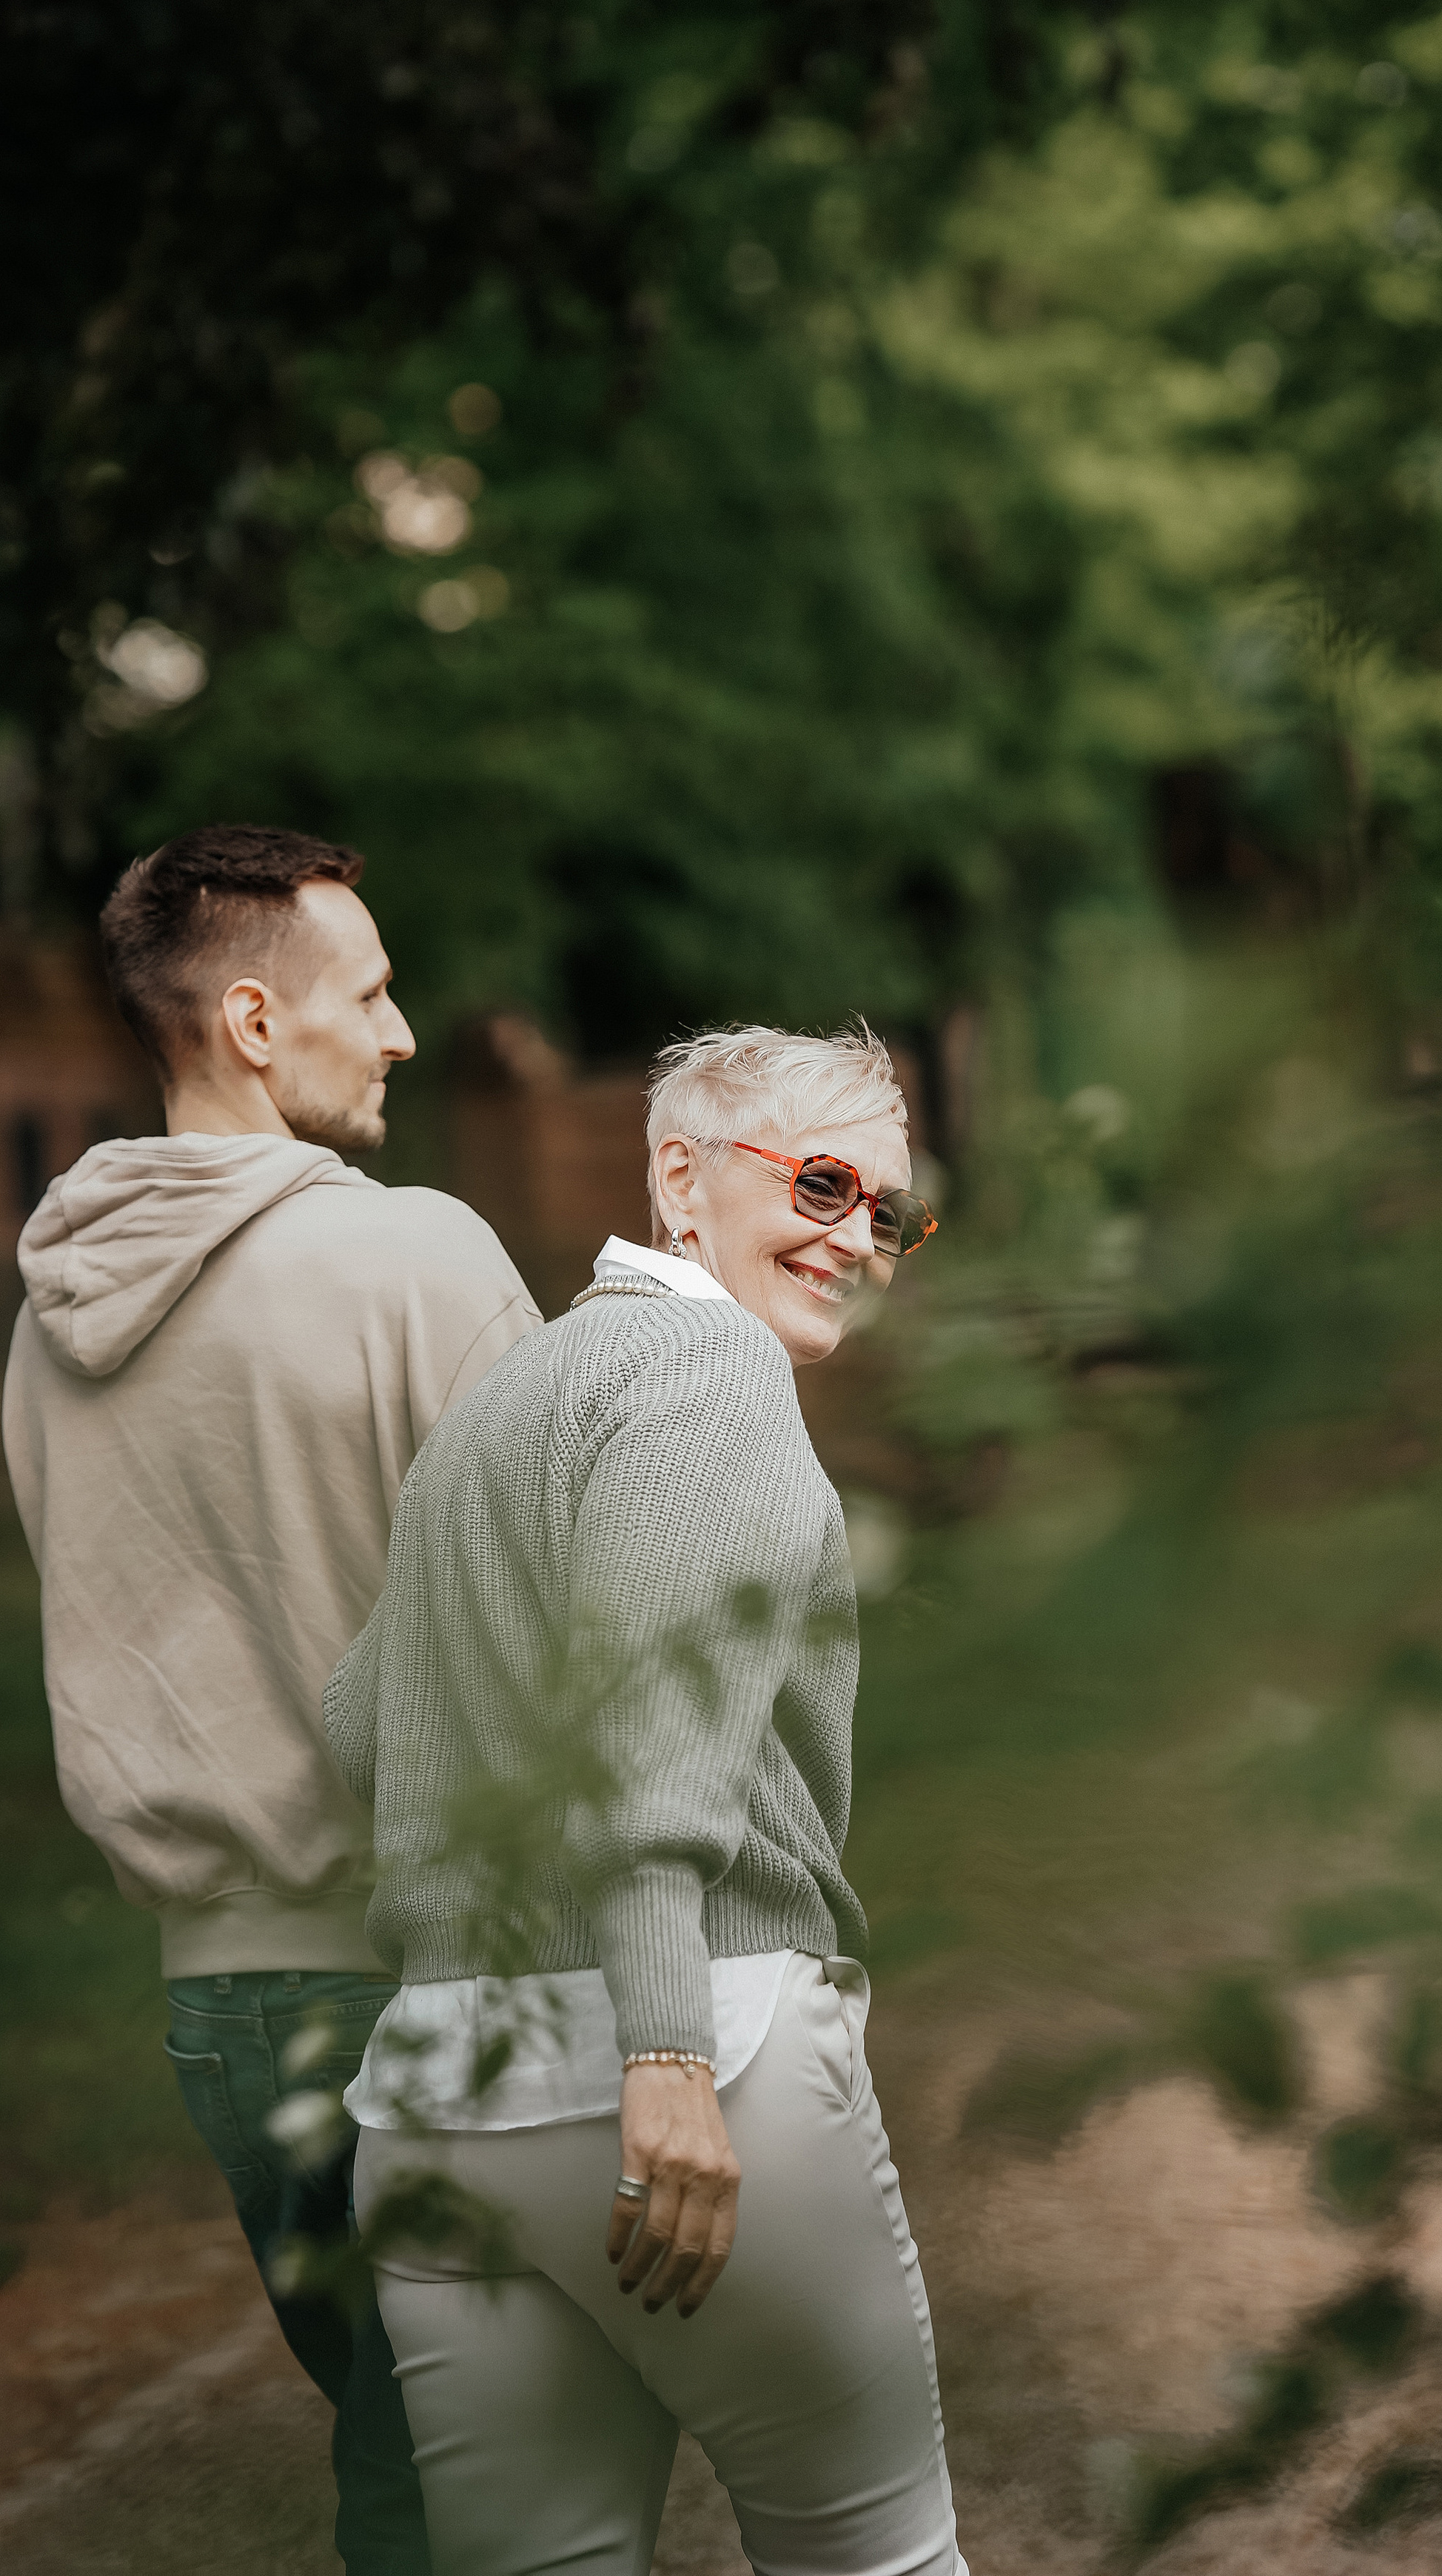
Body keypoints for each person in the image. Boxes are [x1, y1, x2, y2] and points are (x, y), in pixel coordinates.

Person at [325, 1021, 964, 2576]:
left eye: (886, 1213)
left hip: (441, 2096)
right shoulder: (714, 1371)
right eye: (821, 1186)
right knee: (870, 2561)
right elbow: (646, 1747)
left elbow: (359, 1725)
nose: (855, 1244)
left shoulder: (498, 1408)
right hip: (688, 2063)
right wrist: (665, 2048)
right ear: (681, 1176)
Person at [4, 823, 541, 2576]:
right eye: (371, 993)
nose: (399, 1033)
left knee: (407, 2450)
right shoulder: (422, 1260)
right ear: (252, 1020)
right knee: (498, 2478)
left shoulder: (54, 1305)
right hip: (444, 1968)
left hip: (223, 2009)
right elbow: (577, 1629)